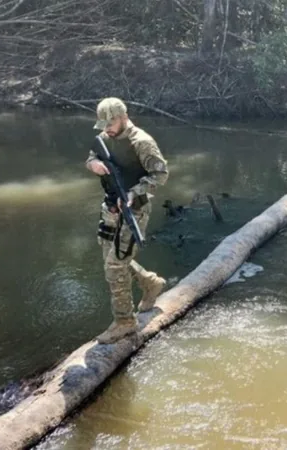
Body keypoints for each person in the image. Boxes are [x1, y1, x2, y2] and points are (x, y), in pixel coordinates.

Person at [85, 97, 169, 344]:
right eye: (103, 124)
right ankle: (150, 283)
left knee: (114, 265)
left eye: (110, 123)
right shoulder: (106, 137)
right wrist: (95, 165)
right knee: (110, 256)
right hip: (110, 206)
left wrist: (133, 192)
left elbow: (161, 174)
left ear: (123, 117)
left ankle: (125, 322)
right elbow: (90, 157)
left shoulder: (141, 142)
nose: (106, 128)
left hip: (135, 209)